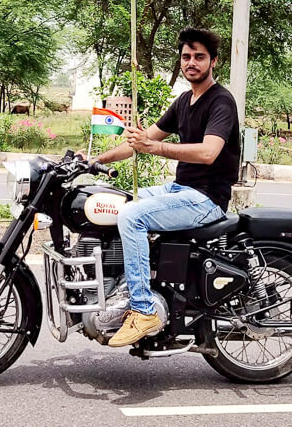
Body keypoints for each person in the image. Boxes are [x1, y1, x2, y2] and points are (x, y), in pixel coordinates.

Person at [94, 27, 241, 347]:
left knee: (132, 216)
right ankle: (123, 286)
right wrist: (95, 161)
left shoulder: (221, 102)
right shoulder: (184, 101)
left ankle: (143, 309)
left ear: (213, 61)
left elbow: (208, 152)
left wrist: (155, 149)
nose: (192, 62)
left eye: (199, 57)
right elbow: (141, 141)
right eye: (186, 56)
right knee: (114, 201)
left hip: (206, 199)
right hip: (180, 190)